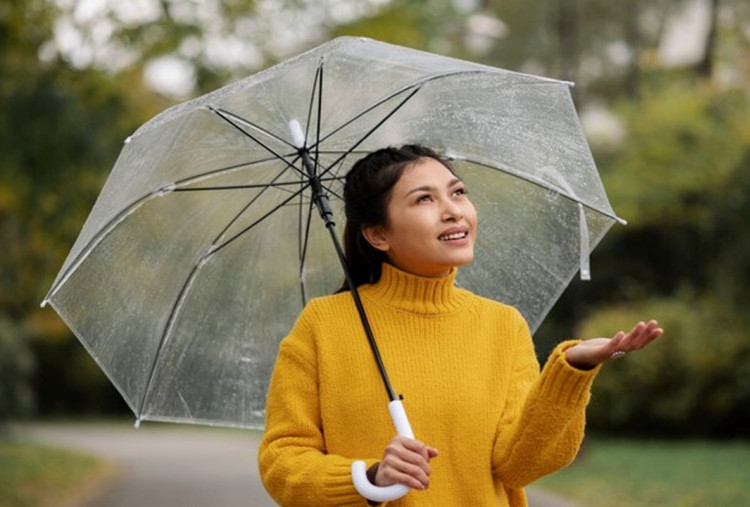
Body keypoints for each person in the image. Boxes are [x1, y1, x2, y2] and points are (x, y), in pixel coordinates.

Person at [258, 145, 663, 506]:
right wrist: (369, 477)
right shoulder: (324, 324)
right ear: (378, 234)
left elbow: (518, 465)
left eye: (458, 192)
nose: (453, 210)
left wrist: (571, 371)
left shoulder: (502, 325)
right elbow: (283, 462)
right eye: (424, 199)